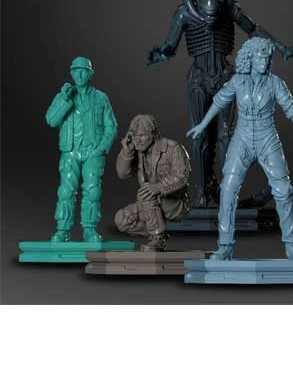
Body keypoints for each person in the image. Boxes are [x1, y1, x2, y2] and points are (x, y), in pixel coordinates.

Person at [148, 0, 293, 209]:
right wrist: (160, 54)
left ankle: (227, 191)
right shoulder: (185, 12)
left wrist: (282, 47)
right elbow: (170, 45)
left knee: (226, 136)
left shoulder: (229, 9)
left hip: (225, 76)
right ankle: (202, 191)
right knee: (200, 135)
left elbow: (254, 29)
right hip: (199, 78)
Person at [187, 37, 293, 260]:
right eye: (260, 57)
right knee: (228, 190)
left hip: (267, 137)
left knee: (283, 190)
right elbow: (219, 101)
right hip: (242, 137)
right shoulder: (238, 81)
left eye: (267, 58)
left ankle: (292, 245)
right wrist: (203, 124)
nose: (264, 62)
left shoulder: (275, 83)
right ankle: (225, 246)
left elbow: (290, 107)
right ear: (250, 58)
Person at [46, 56, 117, 242]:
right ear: (71, 73)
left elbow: (111, 126)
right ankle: (62, 230)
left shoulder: (101, 98)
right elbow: (51, 120)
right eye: (76, 71)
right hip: (70, 151)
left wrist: (102, 148)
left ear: (90, 74)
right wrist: (64, 99)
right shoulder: (64, 96)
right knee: (65, 191)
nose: (79, 74)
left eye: (83, 71)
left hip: (92, 151)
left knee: (93, 191)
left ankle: (90, 229)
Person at [114, 115, 191, 251]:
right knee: (122, 220)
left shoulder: (172, 148)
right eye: (134, 136)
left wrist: (159, 187)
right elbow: (122, 174)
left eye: (142, 135)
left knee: (146, 194)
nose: (137, 140)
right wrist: (127, 152)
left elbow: (182, 177)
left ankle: (157, 239)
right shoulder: (138, 151)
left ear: (153, 134)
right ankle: (157, 232)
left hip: (175, 203)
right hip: (150, 203)